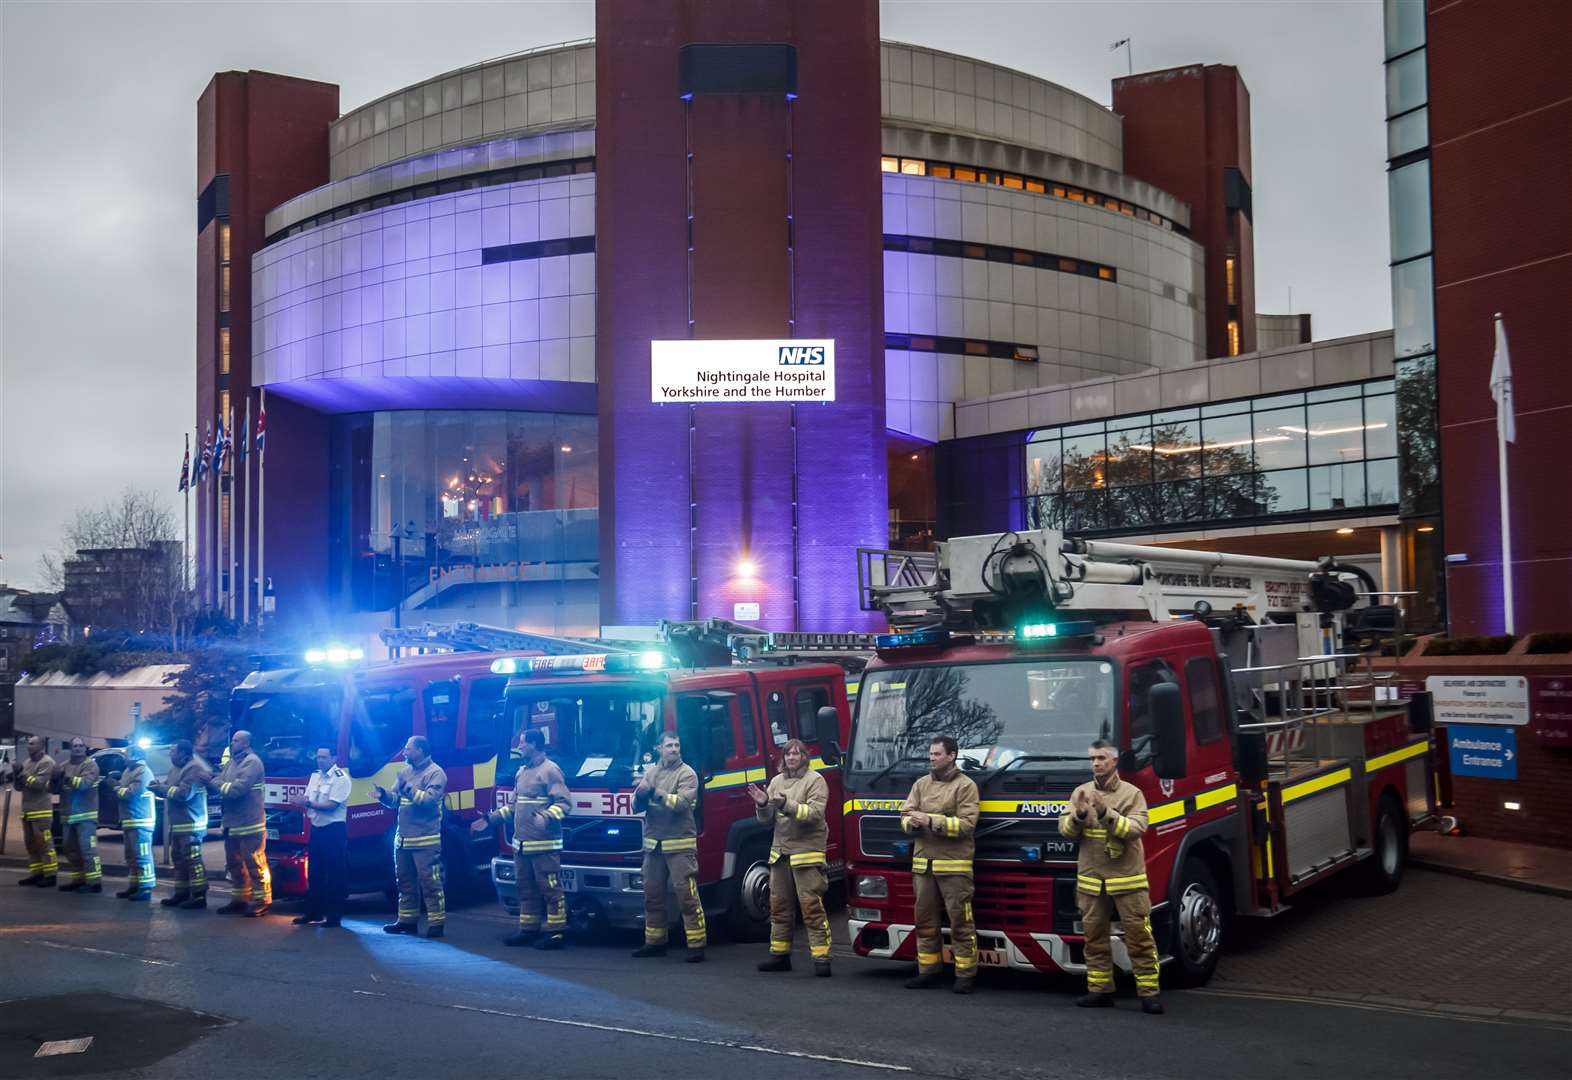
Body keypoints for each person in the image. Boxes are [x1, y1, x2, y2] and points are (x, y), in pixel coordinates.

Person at [1059, 739, 1161, 1014]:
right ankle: (1099, 990)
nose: (1096, 763)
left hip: (1127, 879)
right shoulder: (1080, 792)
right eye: (1092, 758)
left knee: (1139, 936)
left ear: (1115, 761)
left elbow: (1135, 829)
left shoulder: (1132, 794)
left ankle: (1149, 993)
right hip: (1092, 881)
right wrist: (1079, 815)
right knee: (1093, 937)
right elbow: (1066, 831)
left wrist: (1104, 811)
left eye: (1101, 758)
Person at [472, 728, 571, 948]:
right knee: (525, 889)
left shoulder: (551, 771)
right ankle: (529, 929)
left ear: (534, 745)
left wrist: (546, 816)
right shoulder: (521, 772)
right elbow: (514, 808)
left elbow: (564, 804)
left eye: (522, 743)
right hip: (522, 845)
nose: (519, 747)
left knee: (550, 889)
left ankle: (556, 933)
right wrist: (490, 820)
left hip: (544, 845)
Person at [901, 735, 981, 994]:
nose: (932, 758)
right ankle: (928, 970)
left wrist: (930, 820)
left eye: (937, 754)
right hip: (923, 866)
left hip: (954, 867)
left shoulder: (966, 786)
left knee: (961, 922)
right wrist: (910, 824)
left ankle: (965, 974)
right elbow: (905, 815)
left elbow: (967, 825)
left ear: (952, 755)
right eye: (931, 754)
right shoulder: (920, 784)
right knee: (924, 921)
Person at [749, 738, 833, 976]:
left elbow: (814, 814)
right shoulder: (776, 781)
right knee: (779, 908)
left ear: (804, 756)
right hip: (780, 854)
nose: (792, 758)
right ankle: (779, 956)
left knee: (811, 908)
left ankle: (822, 960)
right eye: (788, 754)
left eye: (796, 754)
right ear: (783, 758)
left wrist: (786, 804)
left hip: (806, 853)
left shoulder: (815, 780)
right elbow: (765, 821)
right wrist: (763, 804)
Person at [631, 732, 705, 962]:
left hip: (680, 845)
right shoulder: (652, 772)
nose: (673, 749)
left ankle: (696, 945)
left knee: (687, 896)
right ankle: (655, 942)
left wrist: (653, 792)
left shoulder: (687, 774)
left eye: (676, 745)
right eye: (669, 746)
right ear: (658, 748)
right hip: (654, 846)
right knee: (652, 895)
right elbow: (635, 806)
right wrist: (641, 795)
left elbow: (682, 804)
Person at [374, 736, 447, 939]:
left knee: (430, 883)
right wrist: (383, 795)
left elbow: (428, 801)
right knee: (404, 883)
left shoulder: (436, 773)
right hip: (403, 839)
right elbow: (395, 800)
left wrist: (408, 789)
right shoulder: (405, 772)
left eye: (408, 749)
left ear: (420, 751)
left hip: (425, 840)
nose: (404, 753)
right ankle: (407, 921)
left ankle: (436, 923)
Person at [208, 729, 271, 916]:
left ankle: (262, 901)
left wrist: (213, 783)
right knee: (234, 864)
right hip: (232, 823)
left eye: (236, 740)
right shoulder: (231, 763)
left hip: (250, 823)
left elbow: (236, 790)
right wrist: (216, 782)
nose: (232, 743)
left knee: (254, 863)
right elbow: (220, 780)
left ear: (246, 743)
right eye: (232, 740)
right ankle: (240, 899)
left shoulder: (252, 762)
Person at [294, 746, 351, 927]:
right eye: (318, 756)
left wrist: (307, 802)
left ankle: (334, 917)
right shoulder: (315, 776)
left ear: (334, 757)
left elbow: (331, 805)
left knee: (334, 875)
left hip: (333, 830)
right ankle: (313, 913)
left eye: (324, 757)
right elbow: (308, 798)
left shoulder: (341, 779)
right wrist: (302, 801)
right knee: (314, 873)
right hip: (317, 829)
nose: (320, 760)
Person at [151, 740, 212, 909]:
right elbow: (171, 790)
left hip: (191, 825)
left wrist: (163, 789)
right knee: (178, 860)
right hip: (179, 824)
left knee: (193, 861)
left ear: (184, 753)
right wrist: (159, 788)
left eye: (173, 751)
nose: (170, 754)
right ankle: (182, 893)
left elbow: (184, 794)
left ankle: (199, 896)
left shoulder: (193, 768)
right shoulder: (175, 770)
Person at [53, 738, 101, 892]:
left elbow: (84, 784)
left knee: (88, 850)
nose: (78, 749)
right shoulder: (63, 766)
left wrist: (66, 778)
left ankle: (94, 882)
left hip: (86, 816)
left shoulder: (91, 765)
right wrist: (54, 779)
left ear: (85, 748)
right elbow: (53, 790)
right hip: (68, 816)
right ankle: (78, 879)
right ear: (70, 748)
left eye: (81, 746)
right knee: (70, 849)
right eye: (75, 746)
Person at [111, 745, 156, 901]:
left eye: (127, 755)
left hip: (141, 821)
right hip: (130, 820)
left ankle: (145, 887)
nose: (124, 758)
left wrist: (116, 788)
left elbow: (131, 793)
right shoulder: (128, 771)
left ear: (135, 756)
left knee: (142, 855)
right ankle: (134, 885)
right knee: (131, 856)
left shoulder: (143, 772)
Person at [13, 736, 58, 887]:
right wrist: (16, 776)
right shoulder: (26, 763)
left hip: (41, 812)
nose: (28, 746)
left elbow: (39, 785)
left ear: (41, 745)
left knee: (44, 844)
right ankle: (36, 873)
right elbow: (19, 788)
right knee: (31, 845)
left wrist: (23, 775)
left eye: (32, 744)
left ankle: (51, 875)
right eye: (28, 743)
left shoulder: (47, 762)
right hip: (27, 811)